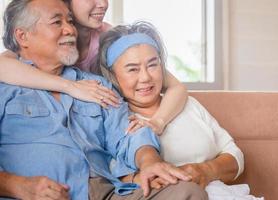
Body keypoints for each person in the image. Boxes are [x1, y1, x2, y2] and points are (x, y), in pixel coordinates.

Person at [0, 1, 208, 200]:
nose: (70, 30)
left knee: (188, 192)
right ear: (22, 36)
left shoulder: (97, 85)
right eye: (57, 22)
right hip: (36, 194)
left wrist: (149, 161)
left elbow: (127, 135)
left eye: (70, 21)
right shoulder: (7, 85)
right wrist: (16, 185)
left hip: (105, 191)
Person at [96, 21, 262, 200]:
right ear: (113, 76)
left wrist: (206, 170)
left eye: (152, 65)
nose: (145, 77)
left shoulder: (189, 105)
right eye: (132, 69)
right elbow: (111, 175)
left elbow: (235, 155)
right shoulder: (116, 122)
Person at [0, 0, 188, 134]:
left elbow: (175, 86)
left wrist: (158, 122)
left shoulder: (109, 37)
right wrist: (71, 87)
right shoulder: (39, 44)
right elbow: (3, 66)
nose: (103, 3)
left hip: (110, 123)